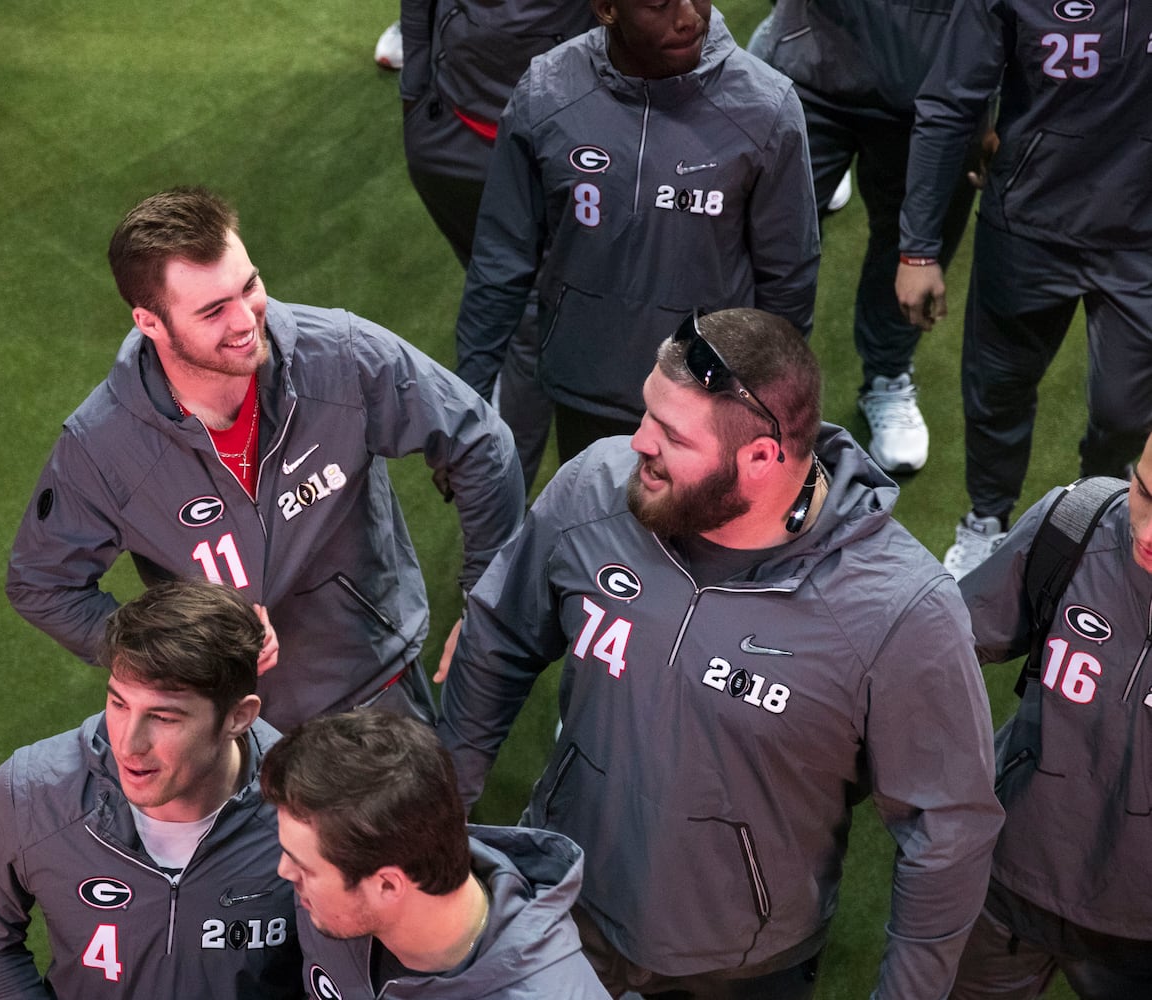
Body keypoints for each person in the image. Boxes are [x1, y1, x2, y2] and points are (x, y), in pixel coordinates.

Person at [439, 307, 1003, 998]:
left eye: (671, 435)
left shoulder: (901, 613)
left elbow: (945, 833)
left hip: (741, 965)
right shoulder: (594, 489)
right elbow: (497, 637)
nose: (637, 443)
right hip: (563, 901)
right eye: (647, 414)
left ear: (762, 458)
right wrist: (441, 820)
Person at [6, 186, 524, 732]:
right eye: (212, 310)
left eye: (248, 286)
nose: (246, 321)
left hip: (375, 688)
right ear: (150, 323)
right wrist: (167, 653)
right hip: (231, 726)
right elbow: (41, 584)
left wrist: (485, 604)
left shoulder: (341, 356)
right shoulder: (103, 447)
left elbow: (480, 441)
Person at [455, 0, 820, 471]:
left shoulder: (766, 109)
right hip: (585, 386)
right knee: (600, 536)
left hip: (709, 399)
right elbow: (501, 258)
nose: (689, 16)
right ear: (607, 8)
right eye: (659, 4)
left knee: (697, 544)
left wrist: (774, 402)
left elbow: (788, 277)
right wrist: (468, 400)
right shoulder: (545, 95)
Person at [0, 578, 302, 998]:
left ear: (238, 717)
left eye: (164, 718)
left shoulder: (311, 812)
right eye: (118, 703)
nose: (128, 744)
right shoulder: (29, 794)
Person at [896, 0, 1152, 577]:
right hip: (1029, 223)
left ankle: (1095, 515)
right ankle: (987, 519)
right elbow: (950, 102)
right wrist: (918, 248)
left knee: (1123, 412)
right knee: (998, 390)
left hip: (1142, 240)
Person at [949, 433, 1152, 998]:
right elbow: (935, 653)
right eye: (1145, 490)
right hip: (1002, 881)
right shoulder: (1075, 523)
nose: (1149, 530)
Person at [748, 0, 978, 474]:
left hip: (937, 91)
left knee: (910, 251)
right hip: (810, 70)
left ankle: (887, 374)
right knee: (762, 240)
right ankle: (751, 381)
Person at [261, 709, 611, 999]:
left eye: (305, 867)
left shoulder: (550, 992)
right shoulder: (335, 898)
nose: (284, 872)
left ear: (387, 885)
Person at [398, 0, 598, 487]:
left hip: (555, 148)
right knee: (504, 301)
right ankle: (497, 491)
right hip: (451, 139)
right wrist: (417, 94)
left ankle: (496, 493)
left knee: (529, 316)